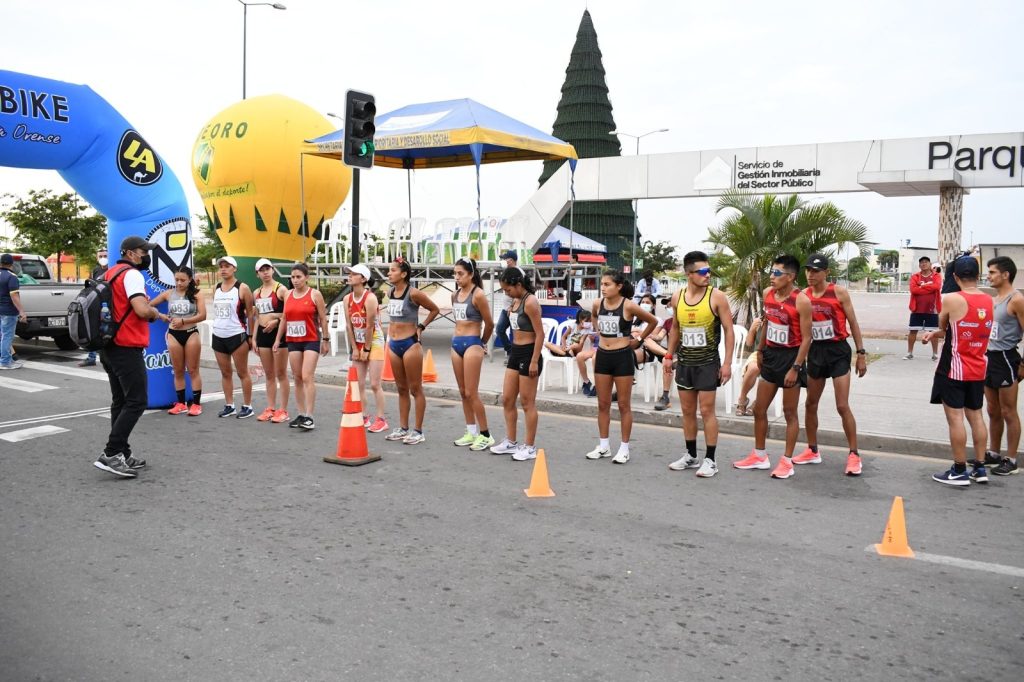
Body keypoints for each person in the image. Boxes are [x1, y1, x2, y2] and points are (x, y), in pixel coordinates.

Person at [734, 255, 812, 479]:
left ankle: (787, 461)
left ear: (790, 277)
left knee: (789, 413)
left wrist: (795, 368)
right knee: (759, 409)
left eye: (777, 273)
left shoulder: (801, 300)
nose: (772, 276)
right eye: (772, 272)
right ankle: (759, 455)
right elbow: (767, 323)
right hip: (770, 355)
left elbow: (807, 338)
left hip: (791, 357)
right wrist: (760, 350)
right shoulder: (768, 294)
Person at [92, 236, 163, 478]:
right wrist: (153, 312)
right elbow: (142, 309)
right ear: (131, 253)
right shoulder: (132, 274)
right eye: (144, 252)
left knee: (120, 401)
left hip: (108, 345)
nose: (147, 256)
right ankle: (111, 453)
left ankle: (122, 452)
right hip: (125, 345)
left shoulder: (109, 273)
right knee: (137, 401)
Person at [792, 254, 868, 476]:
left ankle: (854, 455)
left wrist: (861, 353)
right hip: (816, 352)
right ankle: (812, 450)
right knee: (810, 404)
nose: (810, 275)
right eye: (808, 270)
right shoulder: (803, 295)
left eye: (815, 271)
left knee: (842, 405)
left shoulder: (838, 292)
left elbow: (852, 322)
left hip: (838, 351)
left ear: (826, 272)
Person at [922, 256, 994, 486]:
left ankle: (959, 470)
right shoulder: (989, 299)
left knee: (955, 418)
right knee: (976, 416)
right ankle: (980, 468)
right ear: (978, 274)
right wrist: (936, 334)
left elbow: (943, 327)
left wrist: (933, 333)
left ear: (955, 277)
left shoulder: (951, 298)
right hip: (979, 366)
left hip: (954, 367)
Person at [663, 252, 734, 478]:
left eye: (709, 271)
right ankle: (691, 455)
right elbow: (675, 328)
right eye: (703, 272)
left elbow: (729, 331)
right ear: (688, 274)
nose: (707, 275)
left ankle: (711, 460)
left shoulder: (717, 297)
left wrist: (728, 363)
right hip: (685, 362)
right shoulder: (678, 297)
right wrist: (668, 355)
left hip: (707, 362)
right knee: (686, 411)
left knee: (707, 411)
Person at [584, 269, 658, 464]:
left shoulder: (629, 306)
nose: (603, 288)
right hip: (603, 356)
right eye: (602, 284)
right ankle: (603, 446)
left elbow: (653, 321)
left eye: (607, 284)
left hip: (622, 357)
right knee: (602, 403)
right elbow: (594, 316)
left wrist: (639, 340)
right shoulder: (597, 304)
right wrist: (598, 331)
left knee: (624, 405)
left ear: (619, 286)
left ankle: (624, 448)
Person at [381, 257, 440, 444]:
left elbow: (434, 309)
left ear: (404, 274)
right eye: (389, 270)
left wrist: (421, 326)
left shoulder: (414, 293)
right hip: (394, 345)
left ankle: (418, 431)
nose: (389, 273)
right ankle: (403, 427)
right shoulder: (390, 291)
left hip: (410, 345)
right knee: (401, 388)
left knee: (416, 388)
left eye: (393, 270)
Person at [489, 266, 546, 461]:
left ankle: (529, 446)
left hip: (529, 353)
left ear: (519, 285)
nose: (506, 292)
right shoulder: (515, 301)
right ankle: (511, 442)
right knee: (507, 398)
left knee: (527, 402)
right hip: (515, 352)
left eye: (508, 289)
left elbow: (540, 334)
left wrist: (534, 361)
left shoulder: (530, 302)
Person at [975, 256, 1023, 476]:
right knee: (993, 410)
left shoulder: (1016, 299)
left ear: (1006, 274)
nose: (988, 275)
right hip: (988, 358)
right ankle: (993, 453)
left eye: (992, 272)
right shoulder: (993, 299)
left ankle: (1011, 459)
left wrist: (1023, 364)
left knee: (1008, 411)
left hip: (1006, 358)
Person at [273, 263, 330, 430]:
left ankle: (310, 416)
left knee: (307, 376)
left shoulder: (315, 294)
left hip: (311, 339)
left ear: (306, 278)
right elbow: (284, 318)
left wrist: (325, 339)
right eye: (293, 277)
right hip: (293, 340)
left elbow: (323, 318)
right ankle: (301, 413)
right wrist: (277, 340)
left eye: (299, 277)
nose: (295, 280)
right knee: (297, 377)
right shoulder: (288, 295)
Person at [450, 258, 496, 450]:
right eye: (455, 273)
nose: (457, 277)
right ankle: (471, 431)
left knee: (472, 392)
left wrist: (482, 343)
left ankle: (486, 434)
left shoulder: (478, 295)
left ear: (470, 274)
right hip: (456, 344)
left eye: (460, 273)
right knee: (462, 392)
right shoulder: (454, 295)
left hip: (472, 344)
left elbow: (490, 323)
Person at [150, 266, 206, 416]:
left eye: (183, 280)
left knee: (193, 370)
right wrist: (161, 315)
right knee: (178, 371)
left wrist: (183, 321)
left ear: (190, 280)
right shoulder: (169, 293)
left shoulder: (197, 294)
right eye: (177, 280)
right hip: (173, 334)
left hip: (190, 333)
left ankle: (196, 404)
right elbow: (149, 306)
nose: (179, 283)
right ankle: (181, 403)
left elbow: (202, 316)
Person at [344, 263, 388, 433]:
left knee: (375, 383)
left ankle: (381, 419)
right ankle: (364, 415)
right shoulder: (347, 299)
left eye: (353, 274)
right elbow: (349, 326)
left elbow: (370, 326)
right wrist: (355, 349)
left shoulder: (370, 298)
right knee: (358, 383)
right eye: (349, 273)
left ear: (363, 279)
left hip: (374, 341)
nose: (349, 276)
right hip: (359, 341)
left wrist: (367, 349)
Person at [211, 256, 255, 419]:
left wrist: (250, 336)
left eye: (227, 266)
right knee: (225, 372)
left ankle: (247, 405)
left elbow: (250, 314)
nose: (223, 269)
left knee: (242, 372)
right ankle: (229, 405)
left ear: (234, 268)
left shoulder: (242, 288)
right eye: (221, 266)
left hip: (236, 334)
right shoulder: (216, 287)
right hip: (218, 335)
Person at [252, 258, 290, 423]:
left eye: (268, 269)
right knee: (269, 374)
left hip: (279, 335)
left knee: (281, 373)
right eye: (262, 270)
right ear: (257, 274)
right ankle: (270, 407)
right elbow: (257, 317)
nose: (265, 272)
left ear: (273, 270)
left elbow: (290, 314)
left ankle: (283, 409)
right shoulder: (256, 293)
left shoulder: (281, 290)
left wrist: (276, 318)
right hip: (262, 335)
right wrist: (253, 338)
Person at [544, 309, 599, 395]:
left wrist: (571, 347)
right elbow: (564, 337)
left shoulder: (587, 330)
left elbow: (580, 344)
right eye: (587, 321)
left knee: (575, 346)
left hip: (575, 349)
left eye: (590, 321)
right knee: (547, 343)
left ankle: (563, 353)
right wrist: (563, 345)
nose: (589, 323)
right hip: (566, 348)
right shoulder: (573, 325)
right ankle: (564, 353)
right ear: (581, 320)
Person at [905, 256, 942, 360]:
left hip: (932, 310)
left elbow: (937, 287)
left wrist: (922, 287)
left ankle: (935, 354)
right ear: (919, 265)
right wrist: (928, 289)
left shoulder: (936, 276)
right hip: (916, 309)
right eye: (921, 262)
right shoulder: (915, 276)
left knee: (933, 332)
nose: (924, 264)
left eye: (926, 262)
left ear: (930, 264)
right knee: (913, 331)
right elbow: (914, 290)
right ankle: (909, 353)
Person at [79, 249, 108, 367]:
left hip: (108, 304)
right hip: (98, 303)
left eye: (105, 255)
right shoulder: (96, 270)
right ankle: (91, 357)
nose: (103, 257)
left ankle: (105, 356)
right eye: (100, 256)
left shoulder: (112, 269)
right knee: (93, 328)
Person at [0, 253, 27, 370]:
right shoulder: (12, 277)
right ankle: (5, 361)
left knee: (2, 336)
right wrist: (22, 311)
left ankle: (7, 359)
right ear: (12, 264)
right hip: (8, 311)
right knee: (7, 336)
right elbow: (14, 296)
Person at [733, 317, 764, 416]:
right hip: (758, 354)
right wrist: (752, 329)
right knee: (753, 368)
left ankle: (758, 402)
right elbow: (749, 343)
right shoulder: (760, 321)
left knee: (770, 373)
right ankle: (742, 399)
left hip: (776, 355)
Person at [493, 250, 519, 353]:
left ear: (511, 260)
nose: (504, 261)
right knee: (499, 329)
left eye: (505, 259)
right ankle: (510, 351)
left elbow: (520, 293)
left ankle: (515, 354)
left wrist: (513, 307)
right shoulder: (507, 271)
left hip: (514, 309)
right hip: (506, 308)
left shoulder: (518, 272)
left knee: (516, 333)